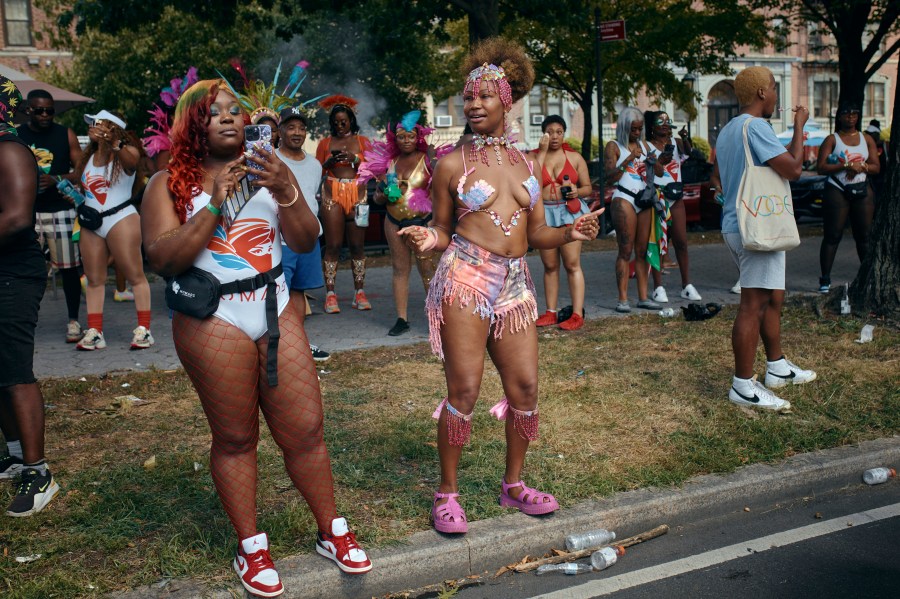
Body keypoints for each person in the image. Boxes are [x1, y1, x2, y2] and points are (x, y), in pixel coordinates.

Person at [141, 79, 371, 596]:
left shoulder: (270, 168)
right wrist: (213, 203)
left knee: (306, 428)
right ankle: (252, 547)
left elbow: (306, 240)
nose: (227, 117)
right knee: (237, 437)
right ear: (191, 125)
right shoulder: (166, 185)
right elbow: (162, 258)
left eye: (233, 110)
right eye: (212, 112)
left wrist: (286, 189)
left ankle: (331, 530)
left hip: (273, 304)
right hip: (212, 317)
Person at [401, 39, 602, 534]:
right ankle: (446, 493)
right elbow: (445, 227)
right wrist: (431, 235)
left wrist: (571, 231)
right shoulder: (452, 164)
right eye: (468, 97)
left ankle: (512, 486)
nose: (473, 105)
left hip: (515, 284)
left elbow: (535, 235)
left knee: (526, 388)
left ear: (506, 101)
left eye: (484, 97)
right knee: (464, 390)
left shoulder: (526, 164)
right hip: (466, 278)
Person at [715, 66, 816, 412]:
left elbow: (776, 161)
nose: (776, 96)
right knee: (753, 304)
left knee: (772, 297)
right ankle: (743, 386)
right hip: (756, 226)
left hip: (739, 222)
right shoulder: (756, 126)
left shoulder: (730, 129)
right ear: (761, 92)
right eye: (774, 88)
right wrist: (800, 126)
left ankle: (777, 368)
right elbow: (794, 169)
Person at [0, 76, 60, 516]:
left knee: (15, 368)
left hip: (13, 272)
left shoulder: (10, 150)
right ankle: (13, 456)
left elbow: (18, 218)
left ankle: (38, 471)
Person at [359, 110, 445, 336]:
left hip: (421, 223)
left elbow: (442, 186)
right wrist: (385, 194)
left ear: (418, 136)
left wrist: (434, 159)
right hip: (393, 222)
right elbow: (377, 196)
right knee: (399, 270)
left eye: (410, 136)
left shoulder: (426, 159)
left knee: (428, 271)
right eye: (401, 136)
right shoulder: (390, 163)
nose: (406, 140)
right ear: (394, 139)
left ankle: (438, 319)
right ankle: (401, 319)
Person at [74, 110, 153, 350]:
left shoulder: (125, 151)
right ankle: (95, 332)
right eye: (92, 124)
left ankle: (144, 331)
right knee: (95, 280)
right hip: (92, 223)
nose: (93, 127)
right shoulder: (87, 156)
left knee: (136, 276)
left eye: (99, 123)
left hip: (121, 219)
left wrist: (114, 142)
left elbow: (133, 163)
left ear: (112, 128)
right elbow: (88, 189)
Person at [16, 89, 86, 343]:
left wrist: (56, 178)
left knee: (69, 269)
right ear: (28, 111)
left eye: (49, 110)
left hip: (60, 210)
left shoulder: (64, 134)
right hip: (26, 212)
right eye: (39, 110)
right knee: (25, 270)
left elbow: (80, 172)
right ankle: (23, 324)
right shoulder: (17, 135)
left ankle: (73, 321)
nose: (45, 115)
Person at [276, 105, 331, 361]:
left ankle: (298, 345)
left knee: (299, 292)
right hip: (281, 239)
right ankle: (279, 346)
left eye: (301, 128)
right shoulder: (272, 160)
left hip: (309, 239)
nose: (297, 132)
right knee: (280, 294)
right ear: (280, 130)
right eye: (290, 127)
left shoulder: (315, 165)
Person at [532, 115, 593, 330]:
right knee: (550, 265)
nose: (555, 136)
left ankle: (577, 314)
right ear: (544, 134)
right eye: (550, 132)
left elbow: (588, 188)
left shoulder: (574, 158)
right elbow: (532, 183)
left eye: (559, 131)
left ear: (564, 133)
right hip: (546, 214)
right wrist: (541, 152)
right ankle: (551, 312)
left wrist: (577, 191)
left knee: (572, 263)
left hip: (569, 213)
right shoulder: (535, 157)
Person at [315, 96, 372, 313]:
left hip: (358, 195)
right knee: (333, 246)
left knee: (358, 246)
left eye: (344, 122)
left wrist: (355, 158)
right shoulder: (324, 144)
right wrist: (327, 163)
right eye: (336, 123)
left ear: (351, 120)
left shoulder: (363, 141)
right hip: (332, 192)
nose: (340, 126)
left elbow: (374, 168)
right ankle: (330, 294)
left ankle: (360, 292)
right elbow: (317, 171)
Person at [815, 105, 880, 294]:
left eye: (854, 114)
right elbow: (821, 167)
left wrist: (861, 167)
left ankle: (867, 279)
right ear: (839, 117)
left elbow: (876, 167)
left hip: (862, 188)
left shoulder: (866, 139)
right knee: (833, 235)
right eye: (846, 113)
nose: (851, 117)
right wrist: (846, 165)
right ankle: (825, 280)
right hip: (837, 189)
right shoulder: (832, 139)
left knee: (864, 237)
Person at [603, 107, 661, 313]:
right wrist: (629, 158)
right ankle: (623, 299)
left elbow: (660, 171)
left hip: (643, 198)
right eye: (633, 129)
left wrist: (654, 162)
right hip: (624, 198)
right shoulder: (614, 146)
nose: (637, 133)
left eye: (640, 129)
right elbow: (610, 177)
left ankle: (643, 297)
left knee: (642, 251)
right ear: (624, 127)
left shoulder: (644, 145)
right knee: (625, 250)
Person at [643, 110, 702, 304]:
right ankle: (658, 287)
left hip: (676, 197)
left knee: (681, 242)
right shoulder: (646, 146)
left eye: (668, 121)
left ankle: (686, 285)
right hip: (657, 197)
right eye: (661, 121)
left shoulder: (676, 143)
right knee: (659, 243)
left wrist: (685, 138)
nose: (666, 124)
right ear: (652, 126)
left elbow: (688, 153)